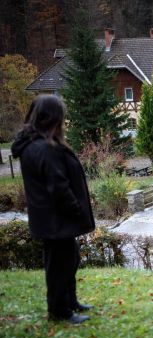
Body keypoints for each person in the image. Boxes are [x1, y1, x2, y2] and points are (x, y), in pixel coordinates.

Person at [11, 95, 95, 324]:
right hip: (55, 219)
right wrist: (76, 208)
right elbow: (58, 186)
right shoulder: (44, 148)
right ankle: (59, 311)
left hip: (50, 219)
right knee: (59, 264)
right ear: (52, 118)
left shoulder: (35, 144)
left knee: (70, 258)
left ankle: (70, 301)